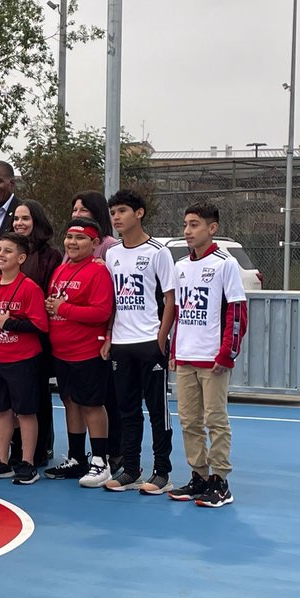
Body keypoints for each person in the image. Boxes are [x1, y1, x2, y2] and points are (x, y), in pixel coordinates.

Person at [167, 202, 247, 508]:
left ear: (212, 228)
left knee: (215, 419)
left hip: (213, 359)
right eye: (185, 224)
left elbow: (236, 312)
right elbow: (178, 313)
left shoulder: (225, 264)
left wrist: (227, 353)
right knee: (189, 421)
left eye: (194, 224)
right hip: (186, 357)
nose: (187, 231)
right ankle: (199, 475)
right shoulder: (181, 267)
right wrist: (174, 350)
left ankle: (220, 481)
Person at [101, 189, 177, 493]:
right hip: (121, 343)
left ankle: (162, 471)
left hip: (149, 341)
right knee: (127, 410)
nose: (116, 217)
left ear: (139, 213)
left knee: (158, 411)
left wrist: (161, 337)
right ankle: (131, 469)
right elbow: (111, 300)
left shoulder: (158, 252)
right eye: (113, 213)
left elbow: (170, 298)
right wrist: (109, 335)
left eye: (122, 211)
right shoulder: (112, 253)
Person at [0, 232, 49, 485]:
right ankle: (1, 460)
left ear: (21, 258)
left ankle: (27, 462)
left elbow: (40, 325)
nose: (1, 254)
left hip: (22, 359)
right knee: (1, 410)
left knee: (25, 412)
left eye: (8, 251)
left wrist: (8, 322)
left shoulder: (30, 288)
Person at [45, 218, 115, 488]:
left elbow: (101, 312)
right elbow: (55, 304)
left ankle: (100, 461)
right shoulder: (61, 269)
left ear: (95, 243)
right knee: (70, 402)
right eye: (69, 236)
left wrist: (62, 308)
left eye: (80, 238)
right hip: (61, 351)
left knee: (92, 405)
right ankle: (76, 457)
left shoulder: (98, 271)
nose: (72, 242)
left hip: (87, 350)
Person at [69, 189, 123, 471]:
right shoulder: (72, 249)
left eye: (83, 209)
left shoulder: (109, 247)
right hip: (73, 341)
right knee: (77, 401)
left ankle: (111, 454)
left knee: (104, 400)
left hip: (100, 338)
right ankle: (81, 455)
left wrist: (110, 334)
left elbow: (110, 299)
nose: (77, 214)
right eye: (75, 209)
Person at [6, 198, 61, 468]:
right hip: (9, 336)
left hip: (36, 335)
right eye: (16, 218)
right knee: (14, 396)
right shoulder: (9, 251)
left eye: (25, 218)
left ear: (36, 221)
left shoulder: (50, 256)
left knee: (36, 394)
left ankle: (40, 449)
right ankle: (16, 448)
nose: (19, 223)